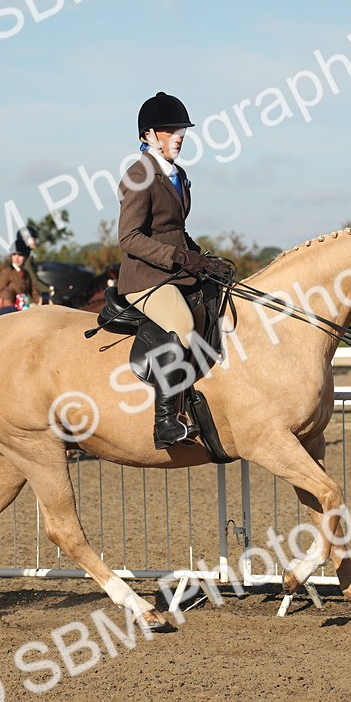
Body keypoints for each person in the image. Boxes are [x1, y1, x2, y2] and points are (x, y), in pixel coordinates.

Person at [117, 91, 227, 449]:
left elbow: (174, 230)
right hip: (145, 278)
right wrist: (180, 259)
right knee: (182, 323)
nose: (179, 135)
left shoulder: (177, 174)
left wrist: (202, 258)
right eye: (169, 130)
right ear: (148, 135)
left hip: (173, 273)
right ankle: (165, 422)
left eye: (181, 129)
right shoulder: (139, 175)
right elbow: (129, 237)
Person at [0, 225, 51, 307]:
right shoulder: (7, 272)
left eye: (20, 255)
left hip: (24, 307)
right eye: (14, 255)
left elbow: (33, 292)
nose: (17, 258)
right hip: (10, 310)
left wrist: (44, 302)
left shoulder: (26, 273)